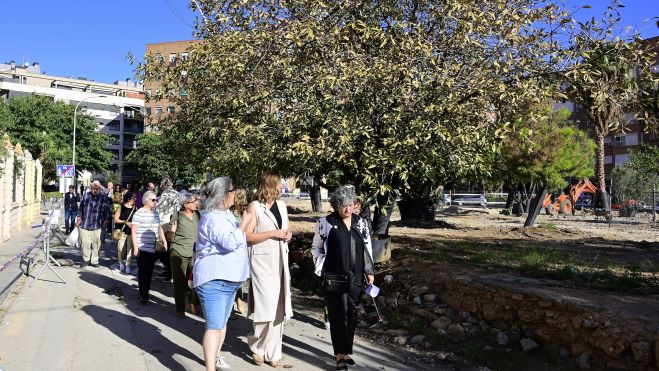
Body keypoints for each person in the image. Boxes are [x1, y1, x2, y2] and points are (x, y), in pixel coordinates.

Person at [311, 185, 375, 370]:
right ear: (336, 205)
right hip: (334, 277)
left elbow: (367, 248)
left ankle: (346, 351)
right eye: (343, 206)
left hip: (356, 276)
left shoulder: (361, 223)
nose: (347, 209)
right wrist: (321, 268)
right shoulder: (326, 222)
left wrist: (370, 271)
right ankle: (340, 356)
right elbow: (316, 247)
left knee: (352, 314)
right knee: (338, 315)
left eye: (350, 205)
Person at [193, 177, 252, 371]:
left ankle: (216, 358)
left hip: (229, 279)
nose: (235, 194)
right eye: (232, 191)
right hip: (214, 280)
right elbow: (229, 242)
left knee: (222, 323)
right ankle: (210, 367)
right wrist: (245, 223)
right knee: (214, 326)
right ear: (222, 195)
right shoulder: (211, 217)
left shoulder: (225, 214)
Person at [246, 172, 293, 368]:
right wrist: (273, 233)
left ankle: (274, 353)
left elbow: (287, 228)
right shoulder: (254, 207)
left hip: (280, 261)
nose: (283, 186)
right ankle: (257, 346)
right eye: (280, 184)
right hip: (262, 263)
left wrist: (288, 234)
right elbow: (247, 236)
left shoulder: (282, 206)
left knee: (278, 309)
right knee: (265, 308)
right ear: (270, 185)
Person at [131, 191, 167, 304]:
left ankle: (145, 292)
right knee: (143, 272)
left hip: (153, 248)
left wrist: (164, 240)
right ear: (146, 200)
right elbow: (134, 230)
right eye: (153, 200)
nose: (155, 202)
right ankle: (143, 294)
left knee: (149, 272)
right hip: (142, 248)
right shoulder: (139, 213)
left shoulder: (155, 213)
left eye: (156, 200)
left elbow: (159, 228)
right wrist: (136, 247)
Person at [169, 192, 201, 318]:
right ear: (186, 204)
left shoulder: (197, 215)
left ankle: (192, 303)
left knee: (194, 282)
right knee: (180, 282)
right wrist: (171, 232)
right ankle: (180, 308)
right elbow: (169, 237)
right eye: (194, 201)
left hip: (194, 253)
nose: (196, 203)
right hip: (179, 252)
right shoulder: (177, 216)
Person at [76, 181, 112, 268]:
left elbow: (107, 210)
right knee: (85, 243)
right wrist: (79, 217)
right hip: (85, 224)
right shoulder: (86, 195)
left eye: (97, 188)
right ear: (91, 188)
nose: (95, 190)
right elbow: (81, 207)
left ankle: (95, 260)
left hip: (98, 225)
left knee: (97, 245)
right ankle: (86, 260)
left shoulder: (103, 197)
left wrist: (106, 220)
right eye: (93, 188)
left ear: (100, 189)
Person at [157, 177, 180, 281]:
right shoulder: (177, 193)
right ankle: (170, 271)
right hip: (174, 223)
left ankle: (168, 272)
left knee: (162, 249)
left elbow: (159, 209)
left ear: (162, 185)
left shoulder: (165, 194)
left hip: (165, 223)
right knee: (170, 248)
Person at [231, 188, 249, 317]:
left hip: (243, 248)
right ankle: (231, 306)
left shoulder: (246, 212)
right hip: (232, 249)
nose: (243, 200)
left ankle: (239, 299)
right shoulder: (230, 214)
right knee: (231, 278)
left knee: (241, 278)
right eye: (241, 197)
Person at [114, 192, 137, 273]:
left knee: (130, 249)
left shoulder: (135, 209)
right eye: (133, 198)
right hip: (122, 231)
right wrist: (125, 222)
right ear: (129, 199)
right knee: (120, 248)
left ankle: (128, 265)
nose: (135, 200)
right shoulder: (121, 207)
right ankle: (121, 263)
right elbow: (116, 219)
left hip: (131, 232)